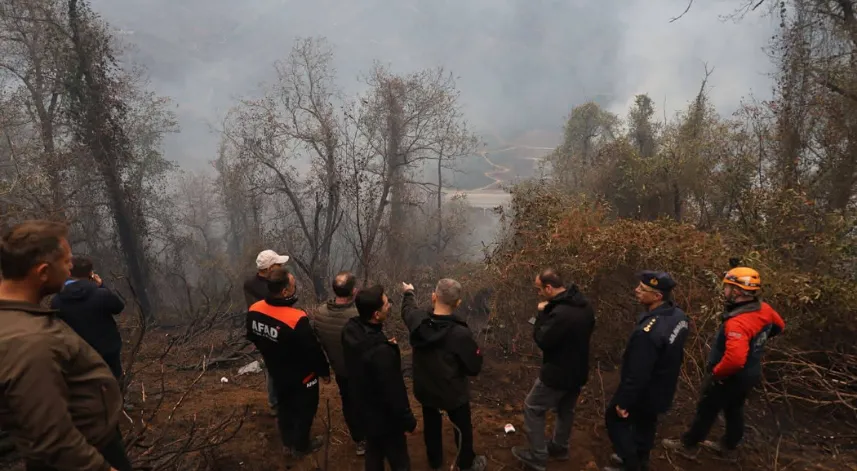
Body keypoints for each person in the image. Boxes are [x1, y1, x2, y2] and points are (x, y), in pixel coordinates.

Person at [0, 220, 130, 471]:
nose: (70, 270)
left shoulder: (21, 318)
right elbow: (52, 439)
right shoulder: (29, 341)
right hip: (89, 454)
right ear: (43, 272)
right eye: (66, 262)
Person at [662, 267, 785, 461]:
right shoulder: (764, 309)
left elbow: (735, 359)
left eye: (727, 286)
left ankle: (688, 445)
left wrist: (717, 373)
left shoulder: (739, 322)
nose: (724, 290)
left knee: (707, 409)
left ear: (736, 291)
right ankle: (729, 446)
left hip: (730, 376)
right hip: (750, 372)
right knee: (734, 409)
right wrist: (757, 343)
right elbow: (779, 326)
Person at [604, 271, 689, 471]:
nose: (636, 291)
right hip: (664, 386)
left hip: (646, 390)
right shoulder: (678, 316)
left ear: (658, 296)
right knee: (646, 424)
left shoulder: (648, 333)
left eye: (643, 289)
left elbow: (638, 372)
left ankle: (632, 464)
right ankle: (641, 458)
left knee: (615, 420)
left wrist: (624, 401)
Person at [512, 269, 596, 471]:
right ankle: (560, 447)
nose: (538, 293)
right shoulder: (583, 305)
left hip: (557, 372)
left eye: (539, 289)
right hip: (579, 370)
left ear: (549, 288)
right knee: (565, 409)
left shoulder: (560, 314)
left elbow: (543, 339)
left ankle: (537, 456)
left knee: (533, 407)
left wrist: (541, 314)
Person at [401, 279, 487, 471]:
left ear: (433, 297)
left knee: (431, 423)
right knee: (462, 426)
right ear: (457, 303)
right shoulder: (460, 334)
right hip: (453, 392)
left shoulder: (418, 322)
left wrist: (408, 292)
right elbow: (474, 367)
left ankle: (434, 460)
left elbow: (407, 310)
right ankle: (466, 462)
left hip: (426, 390)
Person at [246, 266, 330, 460]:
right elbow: (313, 350)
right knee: (306, 408)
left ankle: (287, 442)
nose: (295, 288)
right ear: (284, 291)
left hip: (275, 369)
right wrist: (323, 370)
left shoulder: (255, 309)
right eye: (293, 285)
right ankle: (301, 446)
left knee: (283, 406)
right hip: (302, 374)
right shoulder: (296, 319)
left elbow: (253, 336)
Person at [342, 285, 416, 471]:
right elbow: (394, 392)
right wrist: (408, 420)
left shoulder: (351, 331)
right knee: (399, 459)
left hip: (363, 409)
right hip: (386, 419)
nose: (389, 305)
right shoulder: (382, 353)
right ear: (376, 314)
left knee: (373, 452)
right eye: (385, 304)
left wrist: (383, 343)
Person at [312, 271, 366, 455]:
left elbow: (317, 344)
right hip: (363, 369)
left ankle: (359, 440)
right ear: (354, 291)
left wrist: (324, 370)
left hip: (341, 369)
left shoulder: (319, 314)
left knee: (348, 402)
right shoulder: (360, 314)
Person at [50, 255, 126, 382]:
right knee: (114, 384)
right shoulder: (101, 294)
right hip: (107, 351)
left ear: (69, 272)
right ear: (90, 273)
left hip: (76, 354)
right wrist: (102, 285)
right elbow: (118, 307)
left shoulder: (57, 301)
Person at [244, 249, 289, 414]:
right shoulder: (271, 288)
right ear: (270, 268)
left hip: (260, 330)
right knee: (277, 368)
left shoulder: (249, 284)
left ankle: (275, 401)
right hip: (273, 331)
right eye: (278, 264)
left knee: (272, 367)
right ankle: (277, 402)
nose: (282, 266)